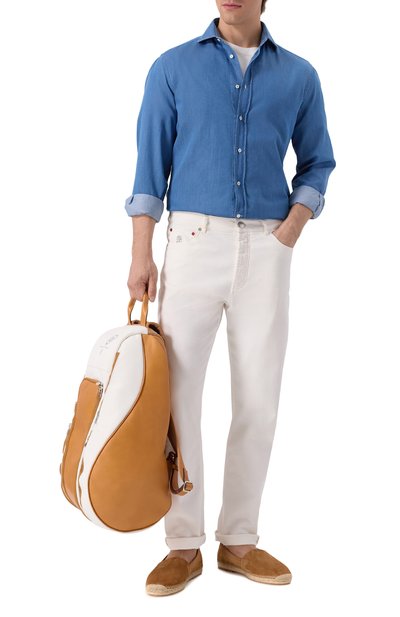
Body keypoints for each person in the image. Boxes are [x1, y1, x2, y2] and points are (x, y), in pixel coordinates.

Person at [125, 0, 336, 596]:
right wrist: (141, 255)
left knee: (259, 398)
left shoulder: (299, 75)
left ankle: (239, 540)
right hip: (192, 243)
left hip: (268, 246)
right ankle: (182, 545)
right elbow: (149, 169)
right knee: (177, 398)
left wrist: (291, 228)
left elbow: (318, 161)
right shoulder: (172, 67)